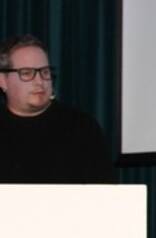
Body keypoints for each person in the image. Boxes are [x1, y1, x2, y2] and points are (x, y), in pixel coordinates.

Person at [0, 34, 113, 183]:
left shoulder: (81, 127)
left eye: (45, 72)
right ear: (3, 81)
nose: (40, 81)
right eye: (27, 73)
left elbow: (104, 190)